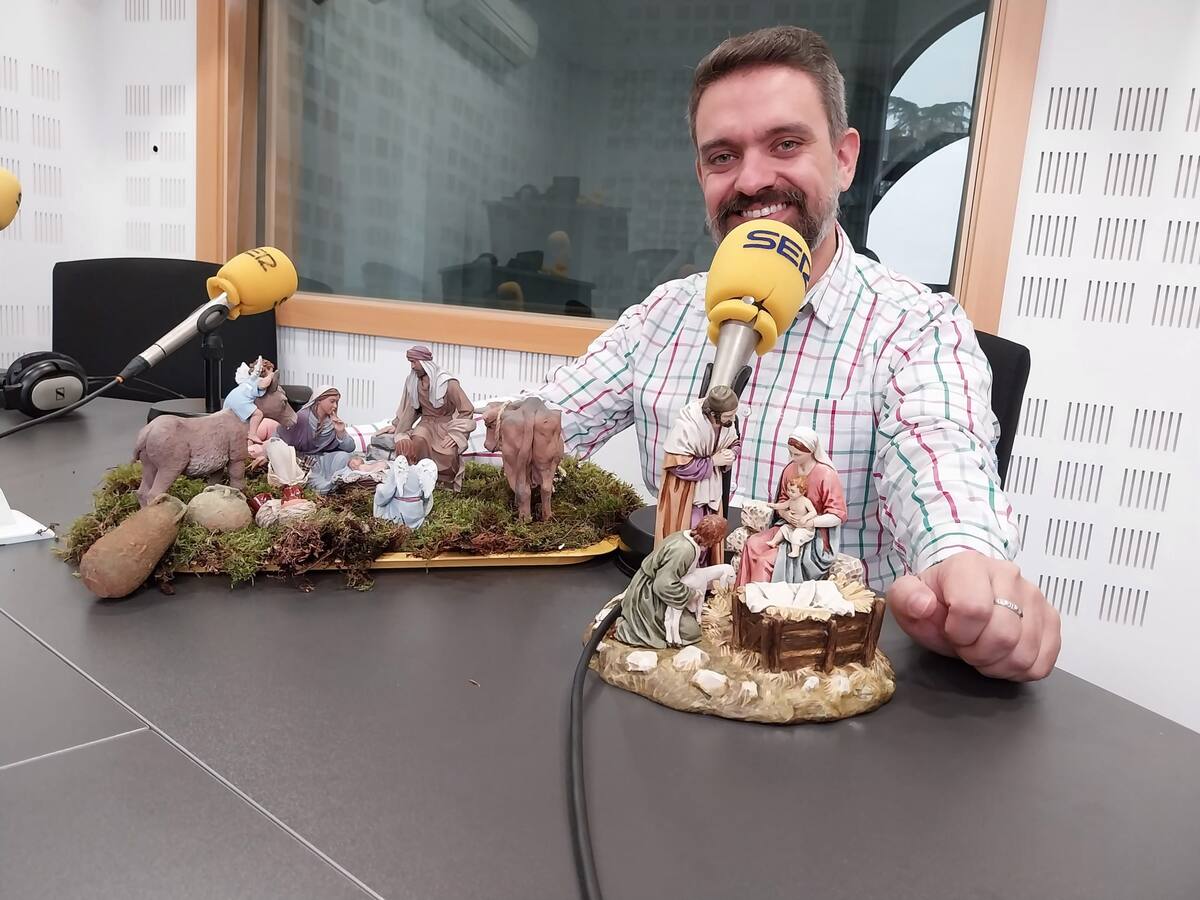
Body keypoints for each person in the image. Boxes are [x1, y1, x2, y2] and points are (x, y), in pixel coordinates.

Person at [534, 25, 1060, 682]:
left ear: (843, 159)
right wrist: (479, 420)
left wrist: (966, 564)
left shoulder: (917, 328)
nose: (753, 179)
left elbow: (943, 469)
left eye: (785, 144)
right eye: (723, 156)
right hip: (676, 656)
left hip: (821, 685)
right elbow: (544, 420)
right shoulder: (664, 315)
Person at [741, 426, 847, 584]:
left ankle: (763, 598)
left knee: (765, 561)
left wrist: (809, 522)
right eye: (790, 452)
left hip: (812, 535)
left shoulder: (826, 475)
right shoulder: (790, 469)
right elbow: (783, 500)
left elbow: (837, 515)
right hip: (787, 525)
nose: (792, 457)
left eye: (797, 454)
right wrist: (785, 514)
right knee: (752, 543)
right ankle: (743, 593)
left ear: (811, 451)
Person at [653, 384, 740, 564]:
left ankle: (704, 571)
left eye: (733, 414)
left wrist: (732, 453)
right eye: (728, 416)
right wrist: (712, 461)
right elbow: (678, 464)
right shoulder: (688, 425)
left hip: (712, 489)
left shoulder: (727, 424)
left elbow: (735, 442)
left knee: (711, 534)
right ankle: (683, 570)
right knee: (691, 535)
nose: (732, 419)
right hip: (688, 492)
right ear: (714, 414)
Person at [615, 514, 729, 649]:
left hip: (662, 589)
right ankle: (641, 629)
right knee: (691, 632)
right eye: (718, 539)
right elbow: (662, 585)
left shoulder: (687, 538)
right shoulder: (684, 550)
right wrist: (691, 594)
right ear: (712, 537)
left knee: (690, 625)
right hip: (649, 596)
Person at [371, 346, 475, 491]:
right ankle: (417, 482)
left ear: (425, 362)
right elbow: (409, 407)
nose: (412, 366)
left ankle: (444, 484)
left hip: (445, 425)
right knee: (418, 440)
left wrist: (456, 434)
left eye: (414, 362)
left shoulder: (447, 383)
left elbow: (467, 409)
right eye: (410, 362)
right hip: (426, 423)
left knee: (448, 452)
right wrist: (397, 425)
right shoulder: (412, 381)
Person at [267, 385, 356, 494]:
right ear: (319, 400)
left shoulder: (332, 422)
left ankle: (336, 480)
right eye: (332, 401)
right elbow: (278, 439)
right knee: (309, 475)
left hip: (321, 459)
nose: (335, 406)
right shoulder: (301, 418)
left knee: (343, 456)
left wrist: (341, 432)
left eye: (337, 402)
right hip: (301, 460)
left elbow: (350, 448)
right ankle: (325, 486)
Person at [223, 356, 276, 440]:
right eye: (270, 370)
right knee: (258, 414)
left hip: (232, 397)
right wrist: (271, 375)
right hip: (240, 400)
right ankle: (252, 434)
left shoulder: (251, 378)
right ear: (266, 370)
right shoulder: (258, 380)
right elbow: (264, 384)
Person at [765, 473, 817, 558]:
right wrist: (774, 505)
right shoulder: (791, 500)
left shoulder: (805, 501)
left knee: (797, 534)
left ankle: (795, 551)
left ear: (802, 492)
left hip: (805, 529)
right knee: (784, 528)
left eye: (793, 491)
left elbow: (813, 512)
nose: (789, 493)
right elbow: (782, 506)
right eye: (788, 490)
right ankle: (774, 542)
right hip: (793, 526)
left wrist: (805, 518)